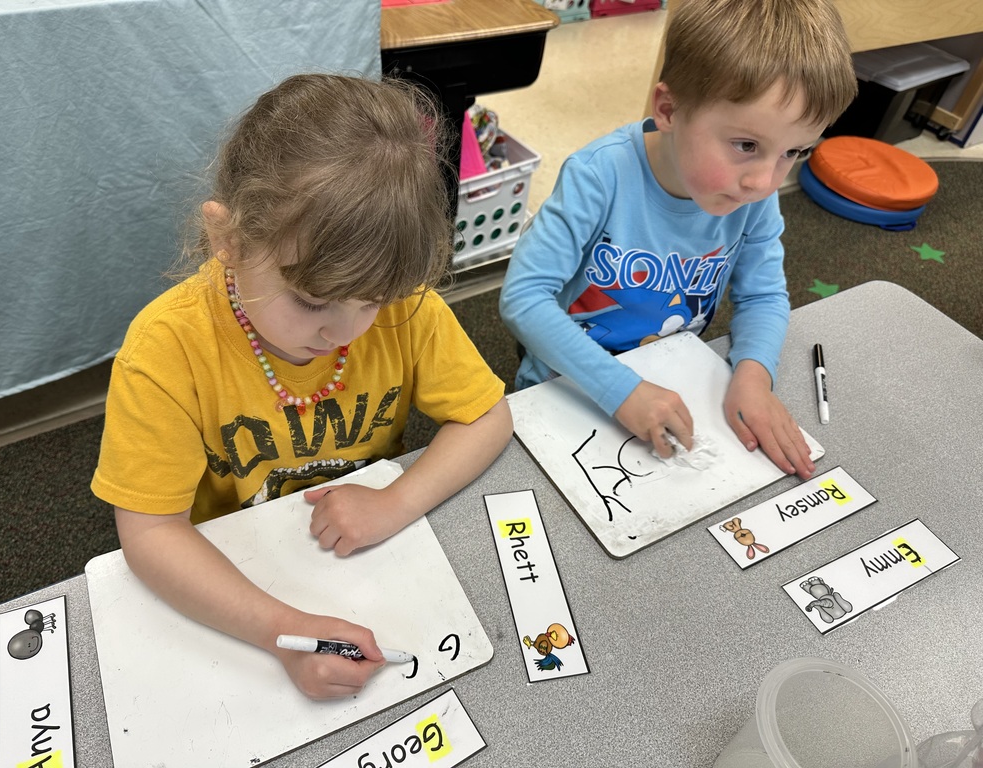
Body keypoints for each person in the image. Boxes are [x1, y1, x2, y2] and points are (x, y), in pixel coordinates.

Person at [91, 73, 513, 699]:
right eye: (313, 302)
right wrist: (282, 633)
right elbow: (151, 535)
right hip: (230, 570)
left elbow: (488, 417)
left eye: (370, 301)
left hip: (359, 558)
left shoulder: (404, 305)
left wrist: (397, 502)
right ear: (228, 240)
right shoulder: (165, 349)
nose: (342, 333)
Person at [499, 0, 856, 482]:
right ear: (668, 109)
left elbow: (765, 294)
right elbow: (523, 299)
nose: (764, 181)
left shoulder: (750, 194)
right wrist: (621, 391)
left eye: (793, 152)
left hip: (672, 383)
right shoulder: (599, 175)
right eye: (746, 145)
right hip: (571, 383)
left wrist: (753, 374)